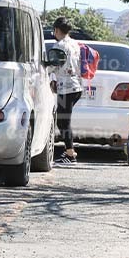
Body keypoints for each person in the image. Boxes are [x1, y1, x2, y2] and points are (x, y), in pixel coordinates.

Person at [49, 18, 83, 164]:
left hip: (66, 88)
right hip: (76, 86)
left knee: (63, 122)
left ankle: (70, 155)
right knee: (64, 121)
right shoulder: (75, 44)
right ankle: (69, 153)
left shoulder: (59, 46)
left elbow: (52, 66)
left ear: (57, 30)